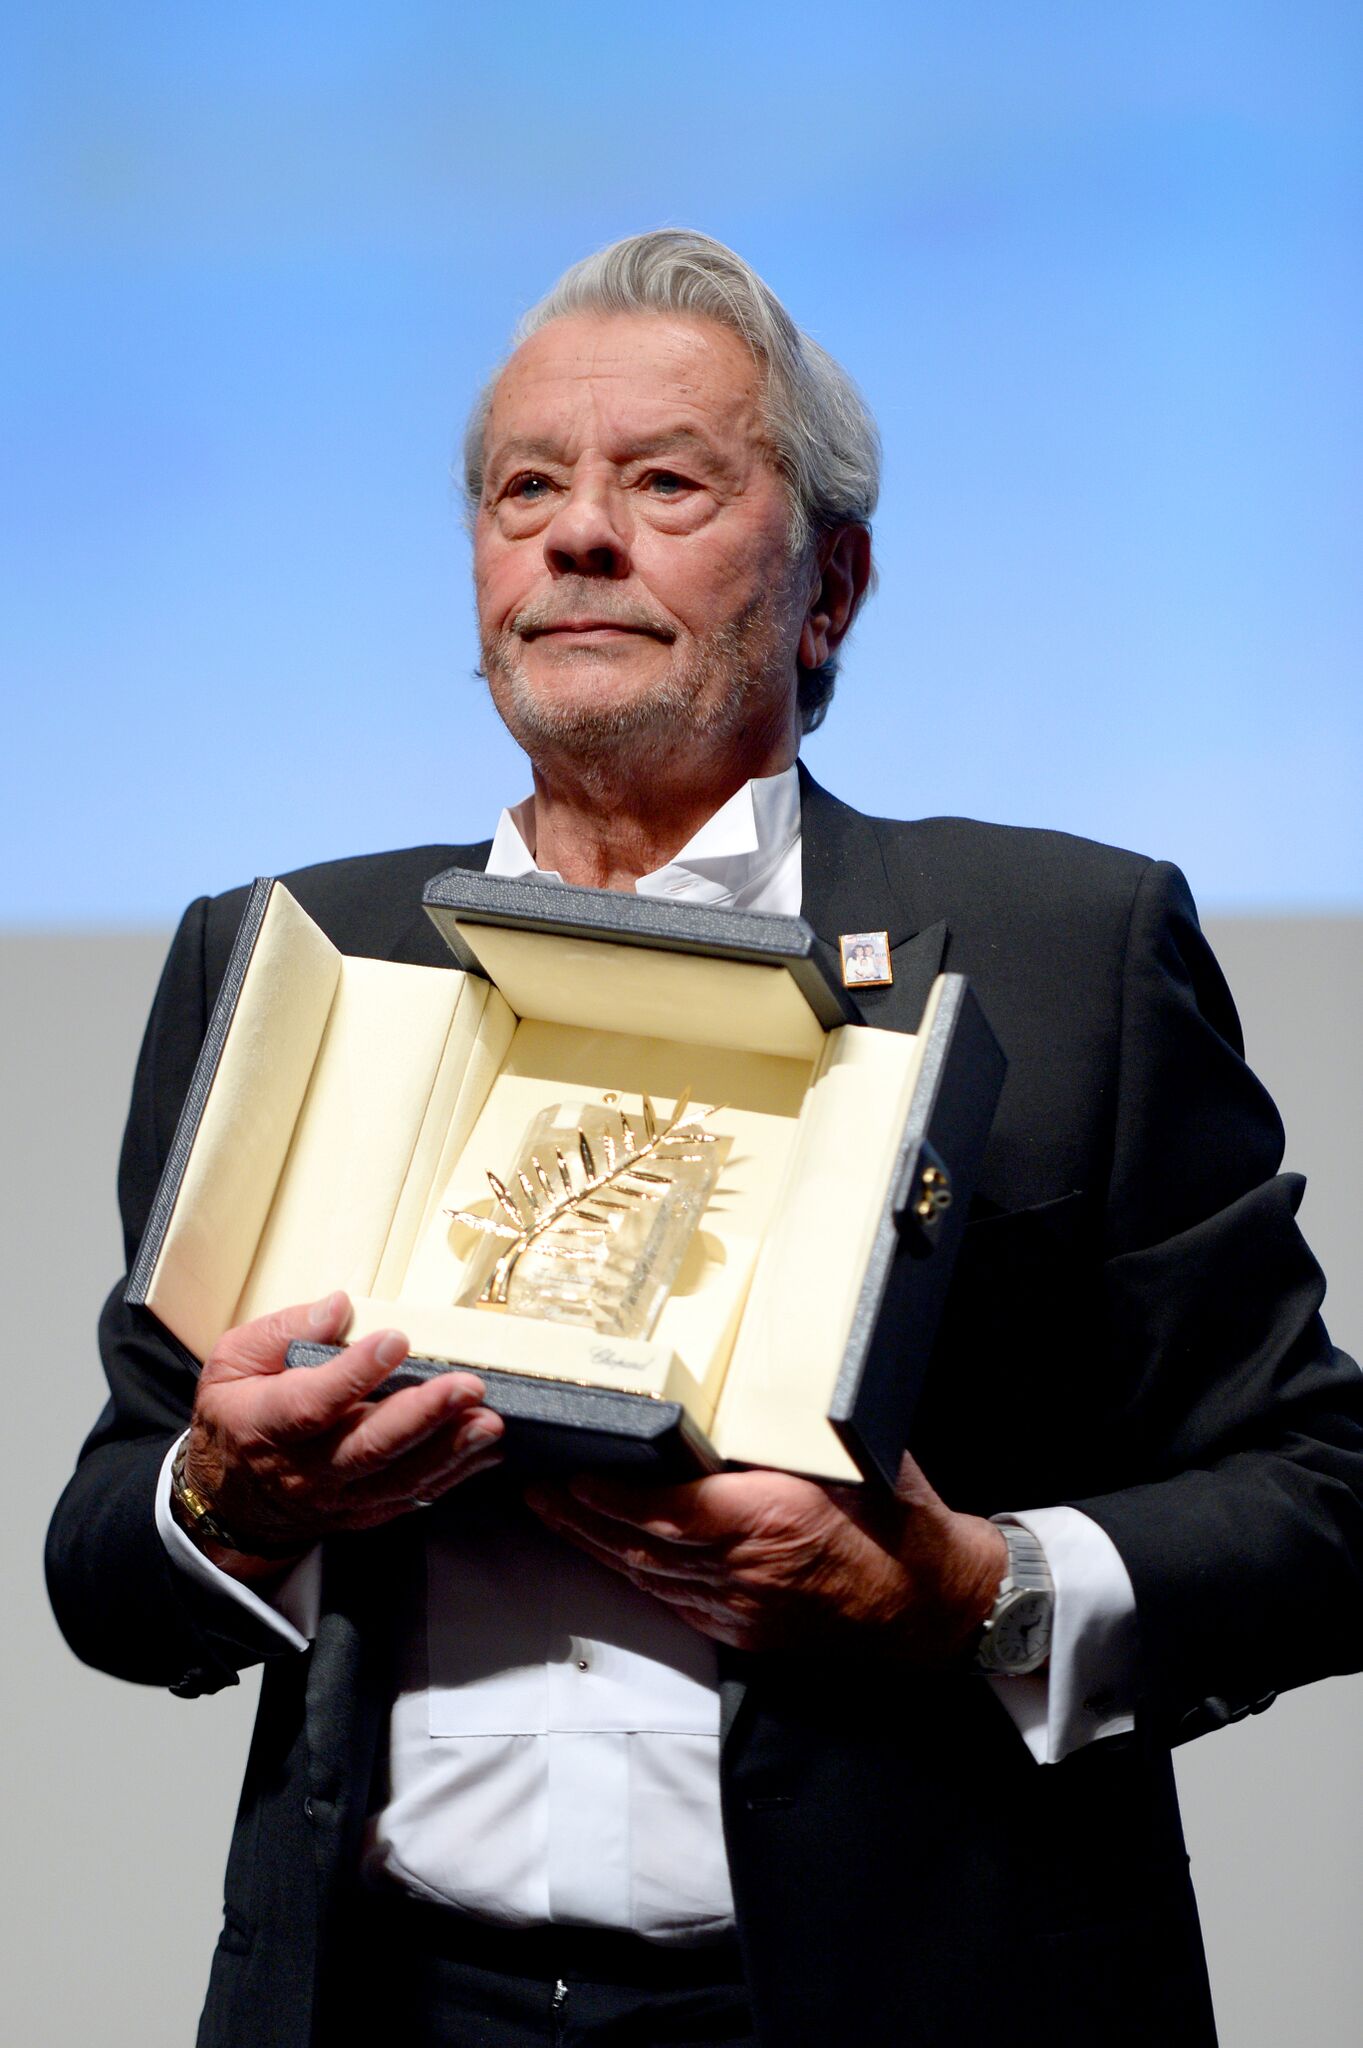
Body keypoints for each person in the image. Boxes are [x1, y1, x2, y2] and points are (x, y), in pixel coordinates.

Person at [47, 231, 1363, 2048]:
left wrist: (973, 1593)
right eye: (527, 490)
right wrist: (231, 1496)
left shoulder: (1071, 949)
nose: (579, 536)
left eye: (666, 482)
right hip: (392, 2010)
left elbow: (1324, 1500)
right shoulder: (288, 959)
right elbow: (112, 1546)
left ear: (831, 590)